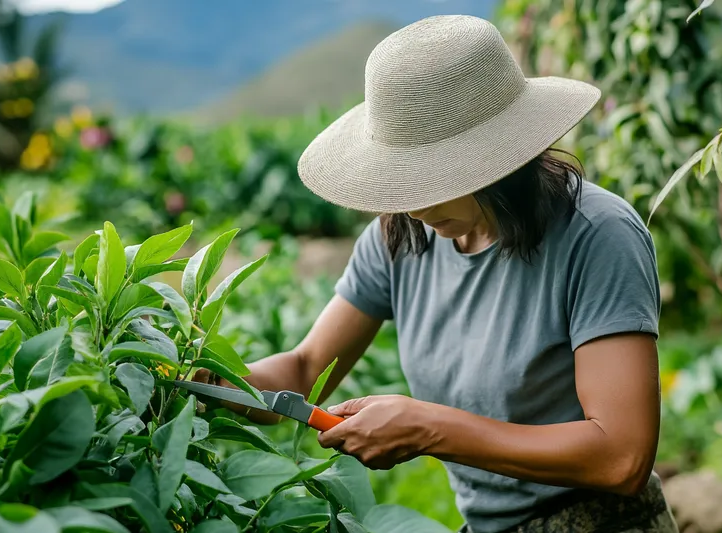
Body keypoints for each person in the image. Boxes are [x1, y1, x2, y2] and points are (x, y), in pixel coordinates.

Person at [194, 14, 680, 533]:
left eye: (437, 176)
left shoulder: (596, 236)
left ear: (502, 158)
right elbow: (306, 369)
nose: (416, 205)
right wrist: (216, 383)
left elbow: (620, 456)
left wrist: (429, 427)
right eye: (404, 179)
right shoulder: (400, 238)